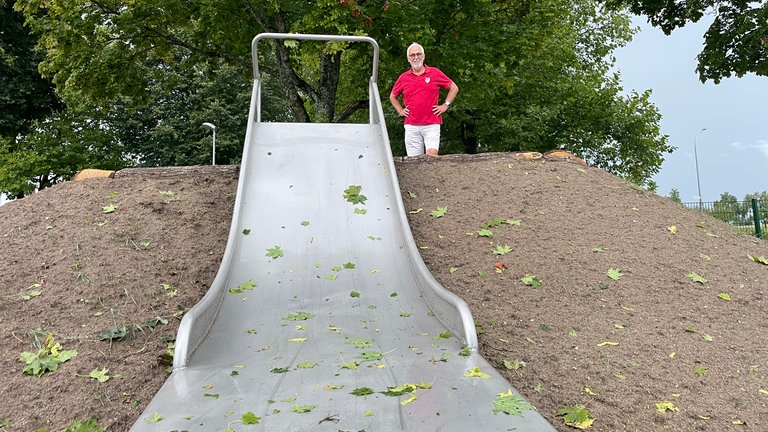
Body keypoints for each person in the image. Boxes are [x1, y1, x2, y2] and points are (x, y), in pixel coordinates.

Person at [389, 42, 458, 156]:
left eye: (418, 54)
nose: (416, 57)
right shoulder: (404, 77)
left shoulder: (434, 73)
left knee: (432, 157)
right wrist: (400, 110)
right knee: (414, 162)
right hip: (411, 125)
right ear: (408, 58)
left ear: (423, 56)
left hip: (431, 124)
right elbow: (392, 96)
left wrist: (445, 105)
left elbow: (454, 88)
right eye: (412, 55)